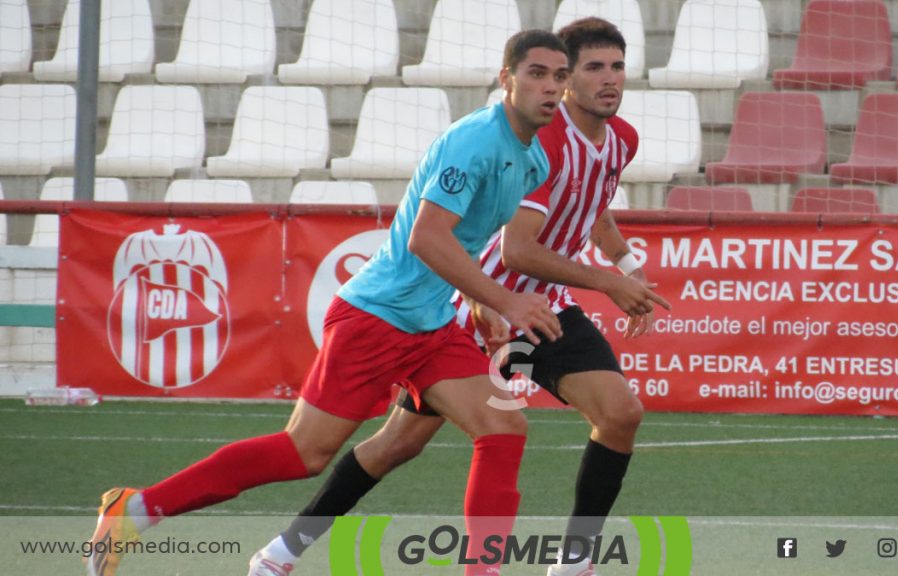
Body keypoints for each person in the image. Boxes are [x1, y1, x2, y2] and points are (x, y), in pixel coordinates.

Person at [85, 29, 572, 576]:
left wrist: (478, 304)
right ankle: (137, 508)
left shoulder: (532, 160)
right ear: (506, 79)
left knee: (503, 428)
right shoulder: (475, 142)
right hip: (376, 317)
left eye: (559, 76)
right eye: (536, 74)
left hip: (430, 325)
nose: (550, 87)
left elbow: (461, 242)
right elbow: (426, 239)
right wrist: (505, 299)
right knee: (303, 454)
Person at [247, 18, 670, 576]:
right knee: (396, 445)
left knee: (620, 414)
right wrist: (609, 284)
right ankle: (283, 551)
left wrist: (628, 265)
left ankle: (574, 562)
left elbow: (594, 206)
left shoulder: (622, 139)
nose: (609, 78)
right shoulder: (545, 142)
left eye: (617, 66)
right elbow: (517, 250)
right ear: (565, 82)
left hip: (544, 310)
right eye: (593, 68)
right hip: (485, 307)